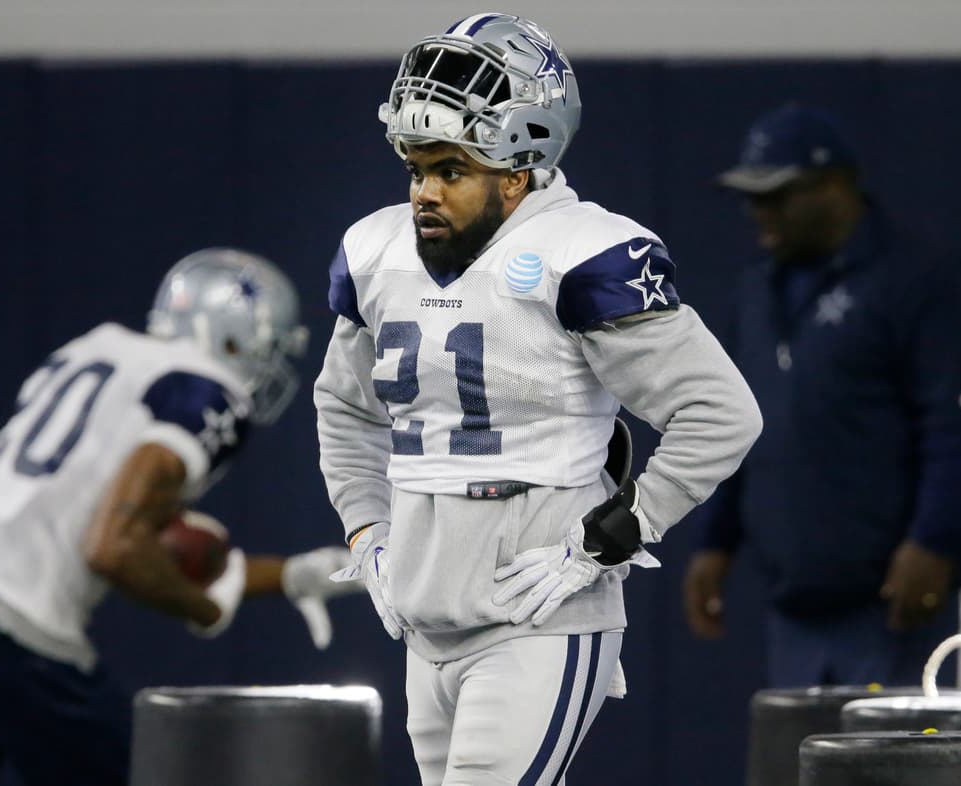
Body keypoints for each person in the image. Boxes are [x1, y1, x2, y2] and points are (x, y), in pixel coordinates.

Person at [314, 13, 762, 785]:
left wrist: (615, 533)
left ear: (517, 169)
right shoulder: (376, 253)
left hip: (539, 616)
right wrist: (366, 533)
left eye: (451, 170)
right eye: (416, 168)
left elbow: (721, 413)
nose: (424, 192)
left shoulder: (579, 252)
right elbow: (347, 410)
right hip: (424, 619)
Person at [0, 248, 360, 786]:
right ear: (233, 334)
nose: (267, 364)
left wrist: (284, 576)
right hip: (12, 620)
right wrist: (205, 610)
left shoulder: (98, 345)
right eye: (266, 346)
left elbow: (110, 521)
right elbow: (114, 546)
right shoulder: (207, 390)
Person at [683, 103, 961, 688]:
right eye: (751, 196)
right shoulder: (756, 292)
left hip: (900, 603)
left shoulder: (921, 278)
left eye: (777, 194)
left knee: (908, 773)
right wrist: (715, 542)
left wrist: (932, 542)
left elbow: (956, 427)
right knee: (800, 770)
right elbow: (735, 422)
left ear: (835, 185)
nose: (758, 211)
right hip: (796, 606)